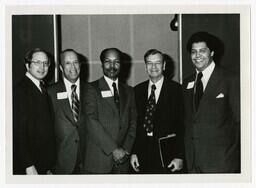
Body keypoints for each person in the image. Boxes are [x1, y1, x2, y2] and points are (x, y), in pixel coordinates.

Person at [183, 31, 240, 173]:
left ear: (212, 52)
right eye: (193, 52)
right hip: (193, 163)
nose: (197, 56)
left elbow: (242, 123)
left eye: (202, 51)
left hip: (222, 163)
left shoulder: (230, 79)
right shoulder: (187, 83)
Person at [83, 48, 137, 174]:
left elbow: (133, 122)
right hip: (99, 161)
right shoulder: (91, 89)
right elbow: (91, 122)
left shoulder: (129, 91)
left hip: (123, 162)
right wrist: (114, 149)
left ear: (121, 65)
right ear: (102, 64)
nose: (112, 66)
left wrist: (126, 149)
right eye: (108, 61)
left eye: (116, 62)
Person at [130, 49, 184, 174]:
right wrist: (134, 152)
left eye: (157, 63)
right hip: (142, 153)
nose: (153, 67)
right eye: (149, 63)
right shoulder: (137, 91)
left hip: (168, 154)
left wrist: (180, 156)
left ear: (164, 66)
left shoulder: (177, 90)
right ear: (145, 66)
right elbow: (134, 125)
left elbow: (183, 126)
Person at [13, 48, 55, 174]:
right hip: (30, 165)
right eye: (37, 62)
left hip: (42, 162)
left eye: (45, 63)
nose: (42, 67)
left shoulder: (41, 88)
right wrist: (28, 165)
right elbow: (17, 132)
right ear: (27, 65)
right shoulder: (20, 91)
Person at [47, 49, 88, 174]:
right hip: (61, 163)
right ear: (60, 67)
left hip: (89, 163)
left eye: (76, 62)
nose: (73, 67)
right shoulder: (50, 92)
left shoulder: (91, 90)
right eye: (68, 63)